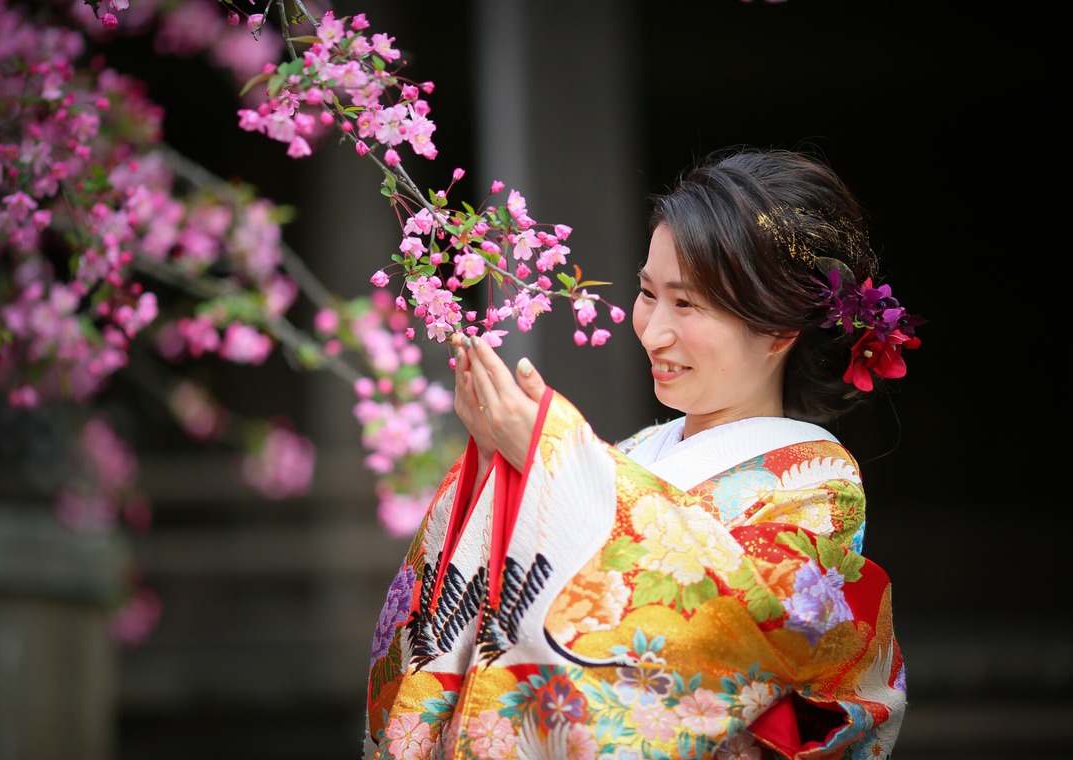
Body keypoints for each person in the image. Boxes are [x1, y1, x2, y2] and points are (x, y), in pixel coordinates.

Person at [363, 147, 920, 759]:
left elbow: (738, 633)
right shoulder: (633, 455)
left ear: (780, 330)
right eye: (648, 293)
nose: (653, 331)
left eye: (687, 305)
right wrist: (509, 476)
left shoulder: (815, 480)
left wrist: (559, 469)